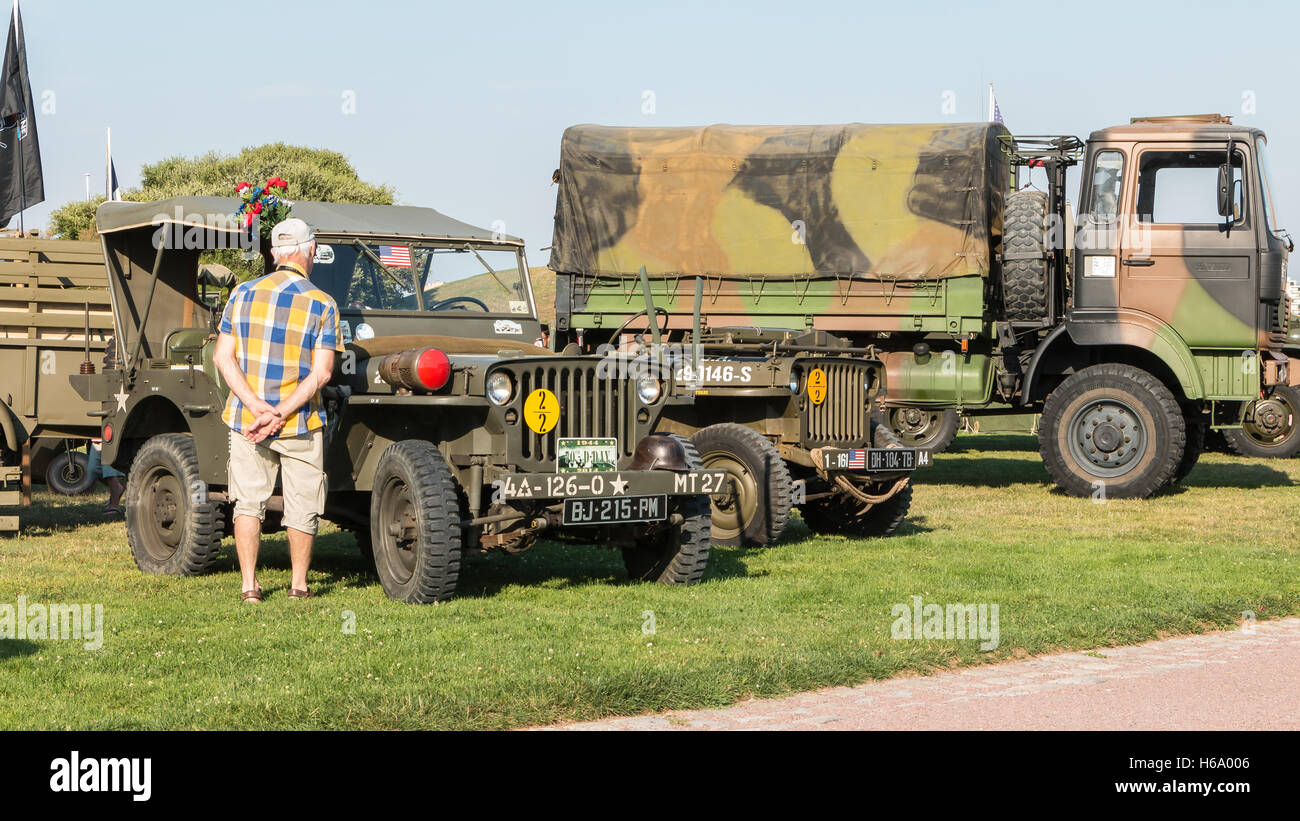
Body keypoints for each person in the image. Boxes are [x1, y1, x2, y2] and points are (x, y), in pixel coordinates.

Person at [213, 218, 342, 603]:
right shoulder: (323, 304)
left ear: (273, 254)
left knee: (247, 502)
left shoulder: (240, 293)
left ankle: (249, 586)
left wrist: (257, 407)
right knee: (302, 504)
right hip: (300, 422)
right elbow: (322, 374)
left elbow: (222, 357)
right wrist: (281, 412)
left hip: (247, 420)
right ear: (310, 251)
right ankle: (298, 586)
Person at [85, 440, 126, 514]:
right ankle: (118, 488)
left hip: (109, 438)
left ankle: (114, 506)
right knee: (93, 470)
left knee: (109, 472)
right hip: (96, 439)